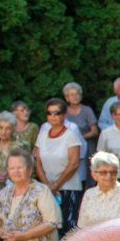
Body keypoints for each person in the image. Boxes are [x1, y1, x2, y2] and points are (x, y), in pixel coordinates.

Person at [34, 98, 84, 233]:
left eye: (57, 113)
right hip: (47, 189)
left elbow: (74, 163)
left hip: (68, 188)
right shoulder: (42, 135)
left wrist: (56, 185)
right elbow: (37, 162)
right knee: (49, 227)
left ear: (64, 115)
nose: (53, 116)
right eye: (49, 113)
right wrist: (47, 186)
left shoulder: (71, 135)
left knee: (68, 230)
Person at [77, 152, 120, 228]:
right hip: (93, 239)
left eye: (113, 172)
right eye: (103, 172)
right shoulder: (89, 194)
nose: (109, 176)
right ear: (94, 175)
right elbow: (82, 226)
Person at [62, 82, 99, 185]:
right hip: (69, 148)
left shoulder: (87, 110)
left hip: (87, 148)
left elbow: (95, 131)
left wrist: (80, 137)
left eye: (77, 94)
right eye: (72, 94)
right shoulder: (63, 112)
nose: (75, 97)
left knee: (87, 178)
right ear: (67, 98)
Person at [0, 111, 32, 187]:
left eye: (8, 128)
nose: (3, 132)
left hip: (19, 186)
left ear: (13, 129)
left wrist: (9, 174)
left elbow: (30, 166)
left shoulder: (22, 145)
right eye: (0, 128)